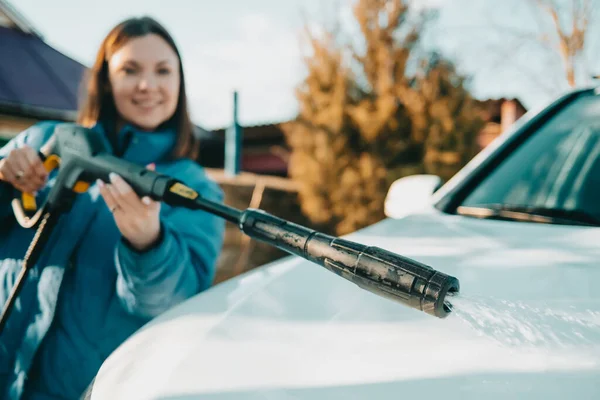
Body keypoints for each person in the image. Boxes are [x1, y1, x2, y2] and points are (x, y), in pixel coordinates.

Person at [0, 16, 226, 399]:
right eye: (130, 70)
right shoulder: (45, 140)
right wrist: (4, 181)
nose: (146, 85)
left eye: (163, 71)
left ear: (179, 83)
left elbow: (173, 306)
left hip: (86, 390)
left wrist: (148, 245)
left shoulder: (193, 189)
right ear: (105, 80)